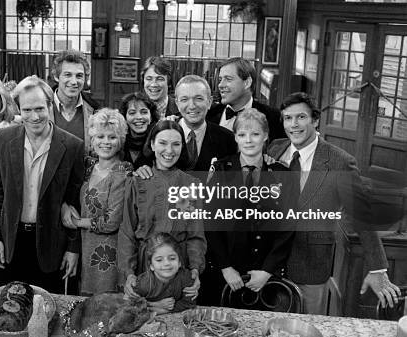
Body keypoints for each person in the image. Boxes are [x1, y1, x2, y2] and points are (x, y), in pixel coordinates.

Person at [267, 92, 400, 314]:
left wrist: (378, 268)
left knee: (306, 327)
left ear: (315, 120)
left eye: (301, 117)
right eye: (288, 118)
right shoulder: (274, 149)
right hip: (269, 264)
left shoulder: (340, 161)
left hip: (311, 266)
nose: (293, 125)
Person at [0, 76, 84, 294]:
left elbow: (75, 201)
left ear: (50, 106)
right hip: (12, 240)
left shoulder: (72, 146)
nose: (34, 116)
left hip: (52, 245)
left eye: (40, 108)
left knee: (48, 311)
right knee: (11, 305)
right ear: (19, 109)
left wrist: (73, 248)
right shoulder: (4, 138)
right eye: (27, 110)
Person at [203, 108, 294, 305]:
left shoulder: (281, 173)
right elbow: (210, 224)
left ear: (266, 136)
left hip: (265, 274)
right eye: (242, 135)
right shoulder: (220, 170)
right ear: (235, 137)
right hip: (227, 273)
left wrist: (267, 270)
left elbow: (287, 228)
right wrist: (225, 267)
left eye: (255, 134)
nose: (249, 140)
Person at [119, 120, 205, 301]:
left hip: (178, 267)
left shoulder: (191, 185)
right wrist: (128, 273)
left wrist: (195, 269)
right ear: (152, 144)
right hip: (145, 266)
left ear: (183, 147)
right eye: (163, 143)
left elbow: (195, 234)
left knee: (177, 316)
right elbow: (127, 232)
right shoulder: (137, 181)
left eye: (176, 144)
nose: (169, 150)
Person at [69, 108, 132, 296]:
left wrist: (77, 222)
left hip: (108, 252)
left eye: (112, 137)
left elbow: (112, 221)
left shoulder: (123, 171)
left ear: (120, 140)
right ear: (92, 138)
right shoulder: (88, 166)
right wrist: (66, 207)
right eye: (100, 136)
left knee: (106, 306)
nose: (105, 142)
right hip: (84, 247)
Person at [207, 57, 285, 141]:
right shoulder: (209, 114)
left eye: (228, 79)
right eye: (220, 80)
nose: (220, 85)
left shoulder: (274, 118)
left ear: (247, 83)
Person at [133, 232, 196, 314]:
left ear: (180, 262)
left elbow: (189, 303)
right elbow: (131, 305)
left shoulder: (186, 277)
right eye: (159, 260)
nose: (166, 263)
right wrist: (155, 305)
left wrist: (166, 310)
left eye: (172, 258)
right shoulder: (143, 283)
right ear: (151, 265)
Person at [49, 50, 99, 153]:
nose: (73, 81)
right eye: (68, 75)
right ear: (56, 77)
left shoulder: (95, 111)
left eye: (79, 76)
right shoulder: (42, 107)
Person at [119, 92, 159, 169]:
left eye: (144, 112)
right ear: (125, 117)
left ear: (151, 117)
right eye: (132, 113)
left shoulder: (158, 141)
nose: (139, 117)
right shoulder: (119, 142)